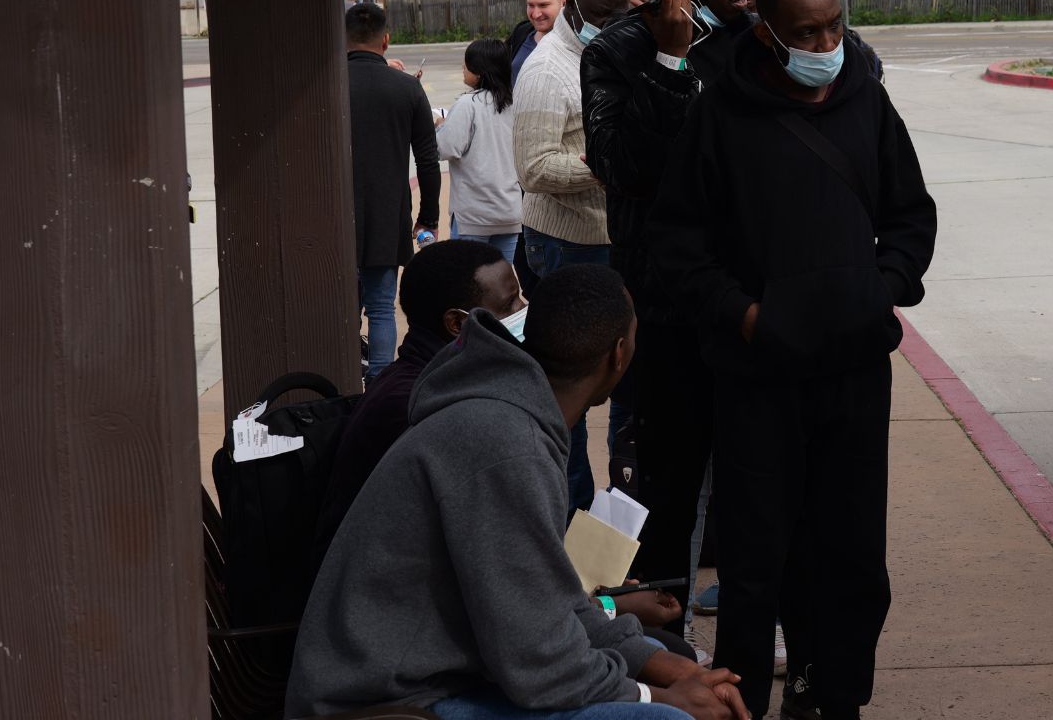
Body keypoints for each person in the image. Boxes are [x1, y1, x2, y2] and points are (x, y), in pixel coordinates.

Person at [647, 0, 937, 720]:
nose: (826, 42)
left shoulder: (868, 103)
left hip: (852, 373)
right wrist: (746, 316)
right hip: (756, 378)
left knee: (850, 559)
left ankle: (829, 695)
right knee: (754, 560)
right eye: (806, 31)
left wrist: (883, 287)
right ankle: (739, 701)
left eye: (834, 24)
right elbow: (676, 246)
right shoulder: (717, 114)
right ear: (768, 35)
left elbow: (912, 218)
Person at [284, 265, 749, 720]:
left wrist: (673, 670)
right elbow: (541, 667)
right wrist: (661, 698)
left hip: (437, 672)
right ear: (619, 355)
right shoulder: (506, 445)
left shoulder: (514, 414)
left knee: (659, 654)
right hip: (387, 701)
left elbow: (551, 601)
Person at [581, 0, 756, 632]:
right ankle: (663, 640)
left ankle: (755, 623)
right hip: (667, 303)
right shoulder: (619, 51)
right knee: (669, 483)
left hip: (746, 297)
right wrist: (671, 62)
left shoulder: (760, 38)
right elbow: (622, 169)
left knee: (754, 481)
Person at [311, 239, 526, 571]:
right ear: (457, 323)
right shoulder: (418, 405)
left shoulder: (434, 378)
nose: (522, 311)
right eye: (510, 304)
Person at [516, 0, 632, 512]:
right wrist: (605, 165)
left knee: (624, 374)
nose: (614, 24)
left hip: (611, 236)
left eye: (622, 13)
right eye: (604, 15)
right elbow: (533, 168)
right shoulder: (546, 71)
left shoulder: (604, 49)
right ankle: (569, 512)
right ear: (576, 8)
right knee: (574, 388)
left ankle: (618, 510)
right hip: (567, 243)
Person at [347, 1, 442, 382]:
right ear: (386, 40)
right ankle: (378, 389)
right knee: (382, 308)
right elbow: (429, 163)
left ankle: (345, 384)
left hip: (337, 215)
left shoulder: (327, 85)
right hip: (388, 215)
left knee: (343, 310)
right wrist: (428, 217)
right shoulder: (407, 89)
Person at [441, 39, 525, 263]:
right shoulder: (515, 103)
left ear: (478, 73)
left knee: (469, 283)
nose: (463, 68)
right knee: (500, 280)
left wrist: (441, 126)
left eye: (466, 64)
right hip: (509, 211)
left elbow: (446, 148)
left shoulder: (468, 104)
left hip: (474, 214)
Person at [510, 0, 567, 84]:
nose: (536, 14)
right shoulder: (521, 33)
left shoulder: (577, 44)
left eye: (543, 5)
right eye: (531, 5)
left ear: (563, 3)